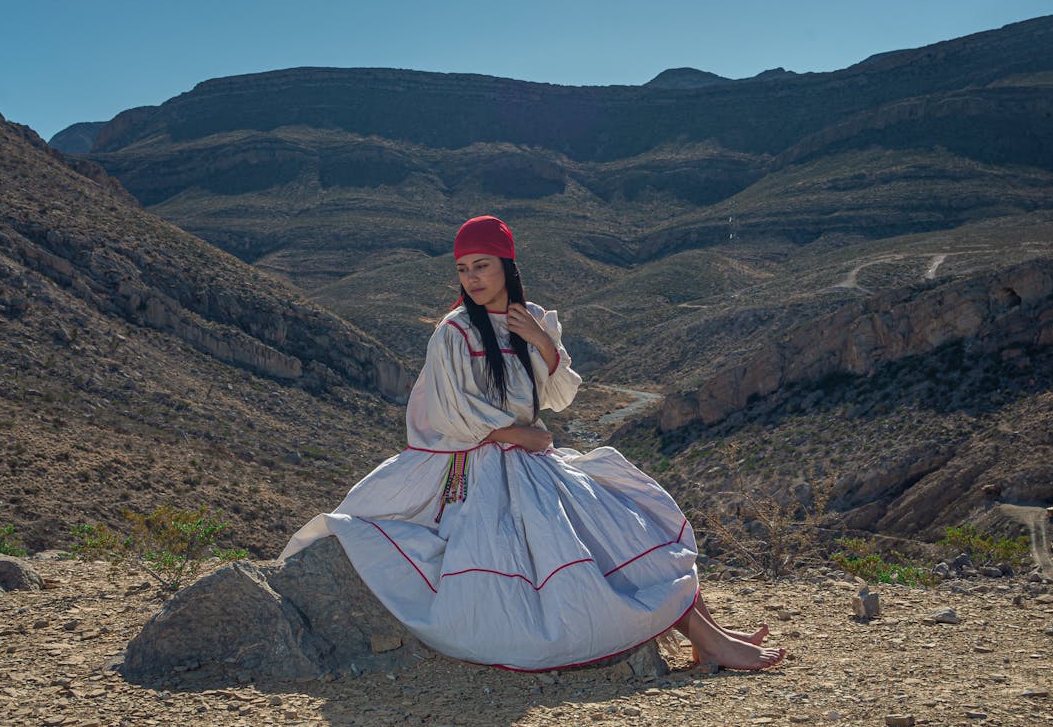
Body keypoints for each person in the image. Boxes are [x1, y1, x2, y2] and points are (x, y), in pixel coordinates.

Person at [279, 215, 784, 672]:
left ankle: (711, 635)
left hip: (528, 455)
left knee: (627, 520)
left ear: (506, 265)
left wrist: (542, 341)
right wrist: (513, 432)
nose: (472, 278)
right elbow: (449, 412)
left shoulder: (533, 318)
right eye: (462, 269)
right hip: (473, 463)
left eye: (482, 265)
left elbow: (559, 396)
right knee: (591, 532)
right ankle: (709, 640)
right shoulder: (452, 333)